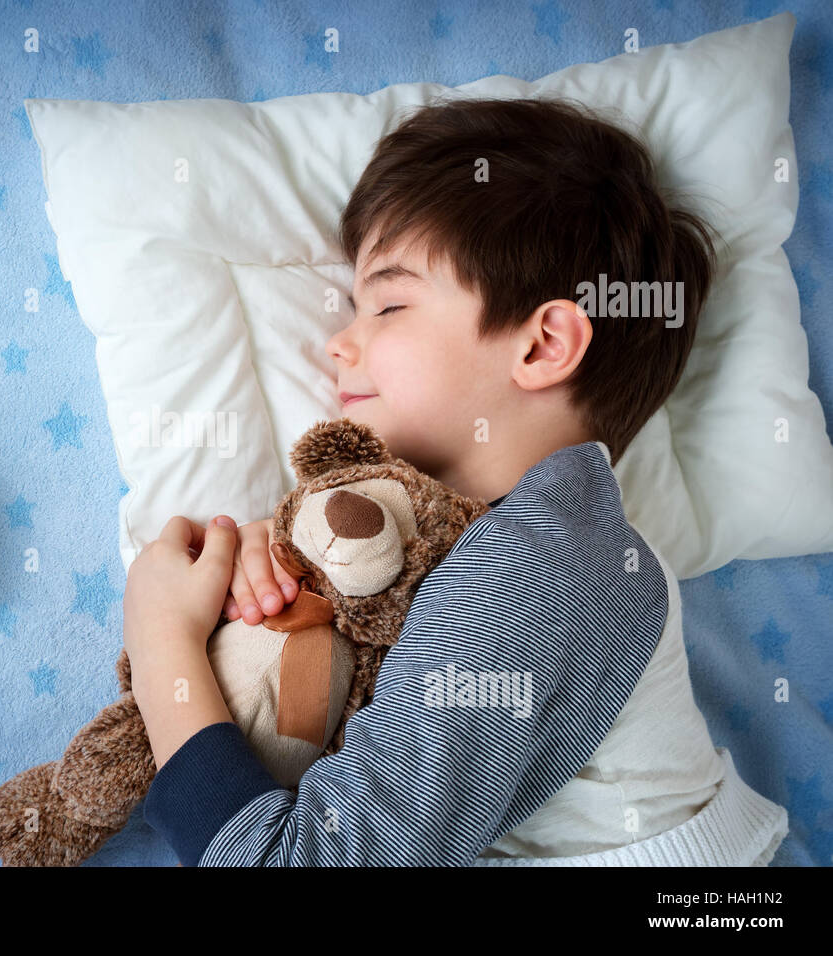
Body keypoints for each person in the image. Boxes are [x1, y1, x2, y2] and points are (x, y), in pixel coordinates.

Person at [122, 96, 788, 866]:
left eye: (390, 303)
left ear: (542, 345)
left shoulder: (535, 569)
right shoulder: (533, 546)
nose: (340, 343)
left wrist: (162, 642)